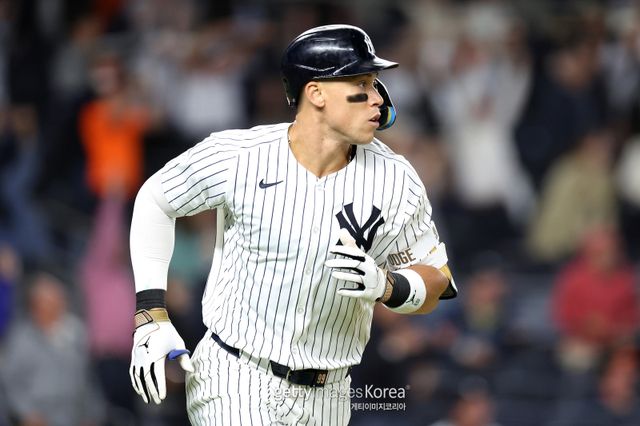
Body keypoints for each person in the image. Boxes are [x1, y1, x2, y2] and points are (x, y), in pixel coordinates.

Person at [128, 24, 457, 425]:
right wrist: (150, 315)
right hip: (236, 376)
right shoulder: (239, 155)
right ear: (316, 93)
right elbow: (155, 200)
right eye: (362, 83)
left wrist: (389, 286)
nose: (377, 98)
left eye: (375, 83)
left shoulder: (396, 177)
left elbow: (437, 280)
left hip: (330, 392)